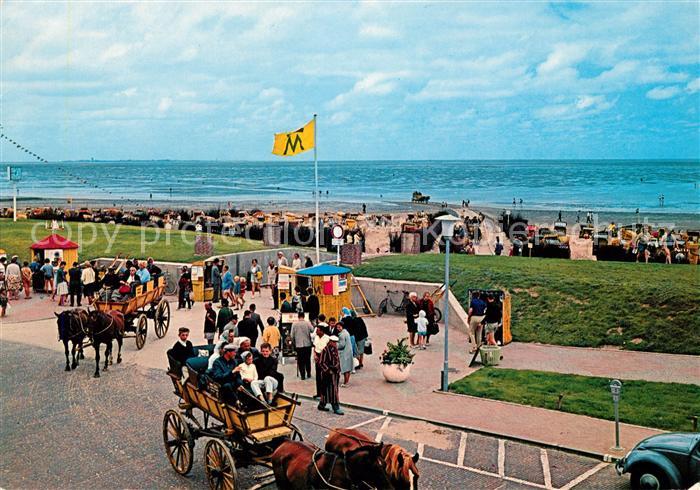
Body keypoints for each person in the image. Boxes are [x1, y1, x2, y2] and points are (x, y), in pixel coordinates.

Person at [317, 334, 344, 415]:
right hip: (328, 374)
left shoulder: (335, 350)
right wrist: (328, 370)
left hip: (335, 374)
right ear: (330, 342)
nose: (335, 344)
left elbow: (337, 361)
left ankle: (322, 404)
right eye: (334, 342)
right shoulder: (325, 350)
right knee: (331, 391)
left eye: (336, 342)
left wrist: (338, 370)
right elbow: (321, 362)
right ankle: (336, 407)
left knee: (330, 390)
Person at [291, 311, 314, 380]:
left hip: (299, 345)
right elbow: (312, 330)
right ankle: (309, 373)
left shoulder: (294, 324)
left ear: (298, 316)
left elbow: (292, 335)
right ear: (304, 316)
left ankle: (302, 375)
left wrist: (294, 342)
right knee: (307, 360)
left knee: (300, 361)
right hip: (307, 344)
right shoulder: (307, 323)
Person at [336, 321, 354, 386]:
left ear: (342, 327)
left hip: (344, 353)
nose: (338, 328)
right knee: (348, 369)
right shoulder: (346, 332)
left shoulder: (342, 335)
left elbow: (341, 345)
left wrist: (335, 344)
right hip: (349, 352)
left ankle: (345, 383)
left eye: (339, 327)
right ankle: (346, 382)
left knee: (345, 368)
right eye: (337, 327)